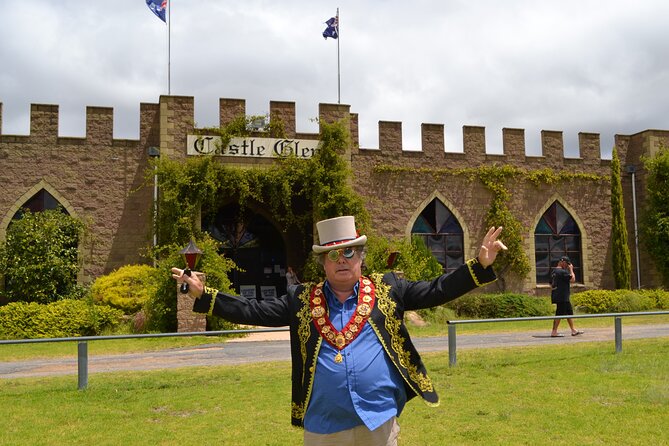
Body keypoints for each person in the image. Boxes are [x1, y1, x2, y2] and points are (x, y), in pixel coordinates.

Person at [172, 216, 507, 445]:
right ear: (324, 262)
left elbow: (437, 289)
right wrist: (205, 295)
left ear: (360, 257)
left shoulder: (388, 290)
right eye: (334, 254)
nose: (342, 259)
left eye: (349, 252)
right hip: (324, 426)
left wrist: (479, 266)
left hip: (378, 421)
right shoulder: (302, 300)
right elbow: (252, 309)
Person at [550, 255, 584, 337]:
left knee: (569, 312)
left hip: (560, 295)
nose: (567, 266)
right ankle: (554, 332)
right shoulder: (562, 272)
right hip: (562, 296)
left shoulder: (553, 271)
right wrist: (571, 269)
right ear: (562, 262)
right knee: (559, 314)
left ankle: (573, 330)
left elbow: (551, 284)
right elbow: (572, 279)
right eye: (567, 264)